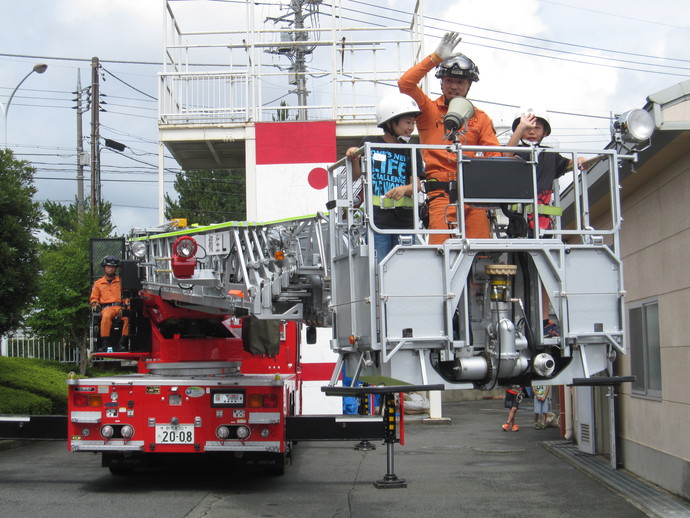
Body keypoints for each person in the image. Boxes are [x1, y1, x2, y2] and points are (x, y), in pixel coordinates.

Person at [398, 31, 501, 244]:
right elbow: (405, 84)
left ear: (469, 85)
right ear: (442, 83)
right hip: (439, 195)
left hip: (473, 196)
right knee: (440, 253)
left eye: (460, 82)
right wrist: (435, 58)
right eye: (449, 80)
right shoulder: (428, 110)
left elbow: (494, 154)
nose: (454, 86)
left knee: (479, 254)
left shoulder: (480, 118)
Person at [503, 107, 587, 337]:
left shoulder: (550, 156)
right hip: (518, 223)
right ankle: (515, 320)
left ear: (545, 132)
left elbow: (568, 165)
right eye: (526, 127)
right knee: (517, 272)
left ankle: (544, 320)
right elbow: (503, 158)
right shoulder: (515, 152)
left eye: (537, 128)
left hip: (544, 225)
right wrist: (518, 130)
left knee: (544, 272)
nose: (531, 132)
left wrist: (578, 160)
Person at [345, 92, 425, 261]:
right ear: (390, 122)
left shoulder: (411, 150)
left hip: (405, 222)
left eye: (413, 123)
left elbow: (416, 185)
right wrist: (354, 157)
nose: (411, 127)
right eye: (408, 122)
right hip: (377, 222)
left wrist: (404, 189)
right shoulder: (370, 143)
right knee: (378, 268)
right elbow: (356, 176)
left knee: (405, 268)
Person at [90, 255, 128, 352]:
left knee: (128, 317)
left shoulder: (121, 281)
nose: (110, 269)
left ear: (115, 268)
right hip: (107, 308)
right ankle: (105, 343)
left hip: (120, 307)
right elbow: (94, 298)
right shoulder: (98, 283)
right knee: (106, 317)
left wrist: (127, 303)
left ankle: (122, 343)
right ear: (104, 268)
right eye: (108, 266)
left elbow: (127, 295)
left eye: (112, 267)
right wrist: (95, 304)